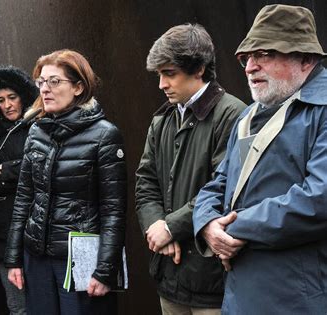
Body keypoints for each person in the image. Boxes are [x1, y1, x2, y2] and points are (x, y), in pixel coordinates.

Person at [192, 4, 327, 314]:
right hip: (241, 296)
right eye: (245, 58)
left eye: (264, 54)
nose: (250, 67)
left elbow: (318, 199)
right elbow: (221, 182)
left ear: (305, 59)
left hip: (296, 300)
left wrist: (236, 229)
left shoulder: (322, 110)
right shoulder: (248, 117)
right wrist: (208, 225)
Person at [4, 49, 127, 315]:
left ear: (79, 87)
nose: (45, 89)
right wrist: (13, 258)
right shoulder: (36, 131)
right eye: (41, 82)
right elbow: (24, 197)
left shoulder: (105, 135)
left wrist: (105, 269)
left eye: (54, 81)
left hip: (79, 260)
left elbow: (113, 210)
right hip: (36, 258)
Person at [135, 24, 245, 314]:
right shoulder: (162, 120)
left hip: (211, 280)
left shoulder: (233, 114)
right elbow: (145, 183)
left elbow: (228, 189)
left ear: (198, 69)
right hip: (169, 273)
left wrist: (171, 227)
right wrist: (156, 227)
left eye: (169, 73)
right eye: (159, 74)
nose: (161, 84)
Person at [0, 65, 38, 314]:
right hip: (3, 234)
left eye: (11, 97)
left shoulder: (39, 127)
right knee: (17, 307)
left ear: (23, 96)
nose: (7, 105)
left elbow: (38, 168)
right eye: (0, 100)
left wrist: (6, 169)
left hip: (36, 229)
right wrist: (19, 172)